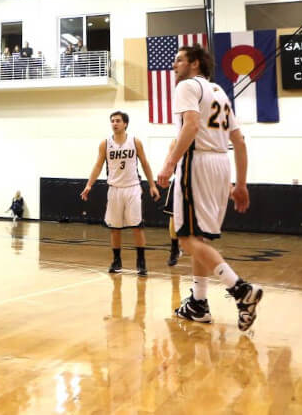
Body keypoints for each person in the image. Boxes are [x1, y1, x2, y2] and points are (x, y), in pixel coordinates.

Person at [156, 44, 263, 331]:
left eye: (179, 60)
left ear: (194, 64)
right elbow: (238, 141)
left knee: (186, 238)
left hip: (197, 162)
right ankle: (198, 304)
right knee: (199, 239)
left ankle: (240, 290)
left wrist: (169, 165)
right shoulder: (220, 92)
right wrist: (240, 184)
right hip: (221, 164)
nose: (174, 65)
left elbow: (189, 127)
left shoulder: (187, 86)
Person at [80, 111, 159, 275]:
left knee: (137, 226)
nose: (114, 123)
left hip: (132, 188)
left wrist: (152, 185)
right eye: (112, 121)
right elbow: (98, 165)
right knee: (115, 228)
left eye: (118, 121)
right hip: (114, 188)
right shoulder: (105, 144)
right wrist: (89, 185)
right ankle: (116, 261)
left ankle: (141, 262)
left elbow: (145, 164)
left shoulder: (135, 142)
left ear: (125, 124)